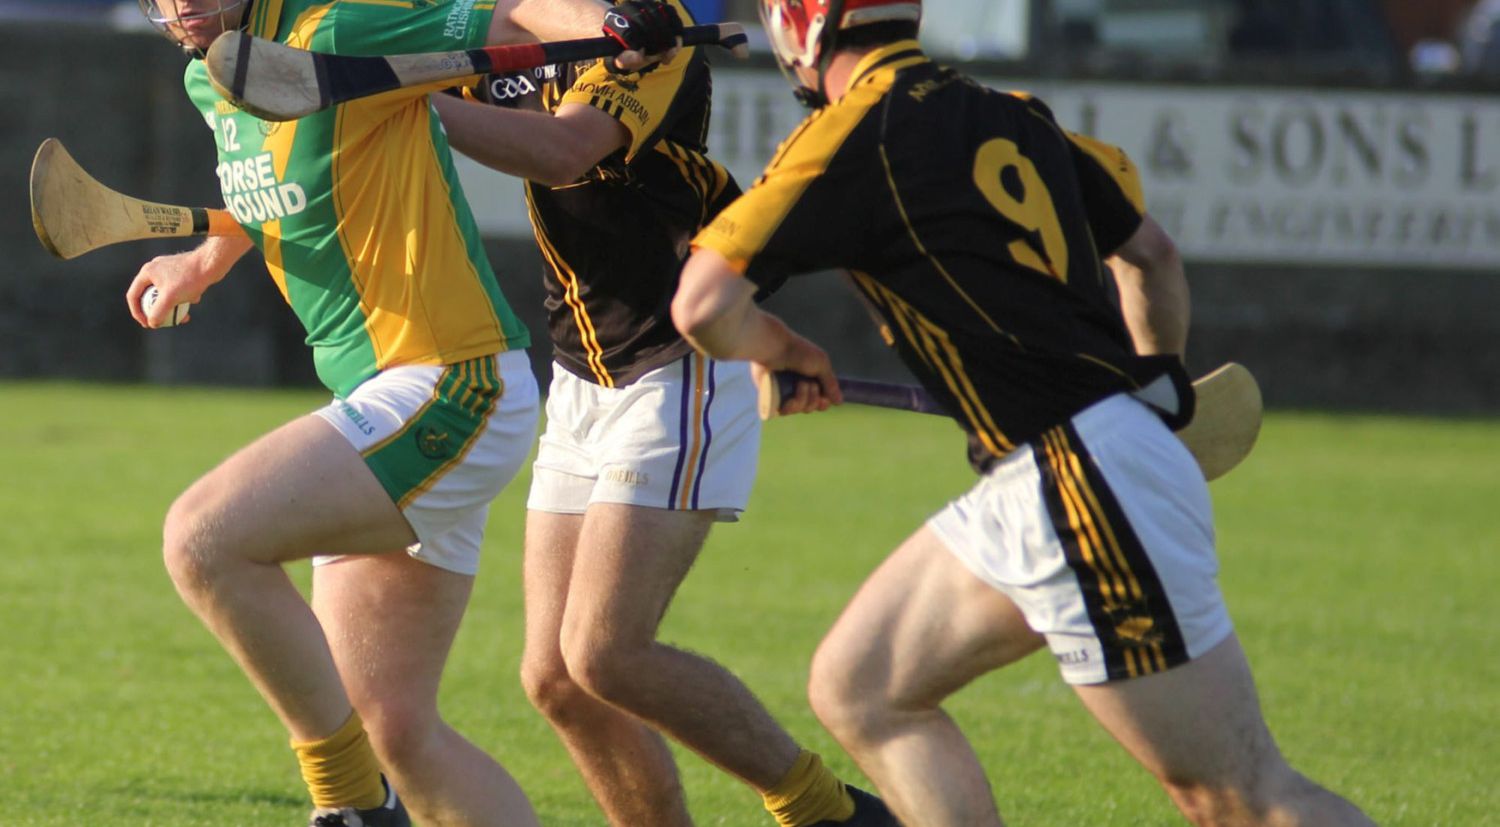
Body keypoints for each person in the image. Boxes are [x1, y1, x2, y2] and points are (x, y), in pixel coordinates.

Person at [671, 1, 1379, 825]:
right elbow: (1150, 256)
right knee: (862, 686)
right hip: (1048, 475)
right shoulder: (1017, 116)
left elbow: (703, 306)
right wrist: (1159, 385)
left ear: (804, 23)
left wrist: (780, 349)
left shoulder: (848, 135)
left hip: (1077, 480)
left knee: (1241, 796)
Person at [127, 1, 681, 825]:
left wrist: (607, 24)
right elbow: (280, 185)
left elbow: (506, 16)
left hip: (447, 384)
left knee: (203, 537)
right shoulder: (210, 79)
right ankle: (370, 788)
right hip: (382, 401)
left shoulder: (337, 32)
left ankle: (348, 804)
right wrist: (203, 261)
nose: (183, 5)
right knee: (392, 725)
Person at [427, 3, 895, 824]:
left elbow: (564, 150)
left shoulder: (654, 32)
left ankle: (829, 813)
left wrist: (412, 97)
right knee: (556, 679)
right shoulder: (492, 29)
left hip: (675, 364)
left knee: (606, 652)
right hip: (581, 373)